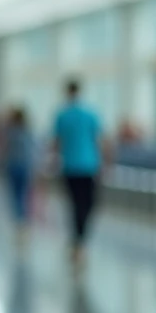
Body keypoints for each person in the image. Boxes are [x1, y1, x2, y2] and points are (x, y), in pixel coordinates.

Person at [53, 79, 104, 269]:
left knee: (75, 205)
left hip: (71, 167)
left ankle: (78, 240)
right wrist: (104, 164)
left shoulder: (62, 115)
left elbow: (56, 143)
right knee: (87, 204)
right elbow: (99, 140)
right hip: (87, 166)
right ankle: (80, 241)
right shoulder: (90, 114)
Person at [3, 108, 36, 235]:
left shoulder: (10, 132)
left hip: (13, 166)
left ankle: (19, 219)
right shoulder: (28, 132)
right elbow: (32, 150)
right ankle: (23, 219)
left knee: (15, 194)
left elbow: (6, 150)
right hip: (25, 166)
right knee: (23, 193)